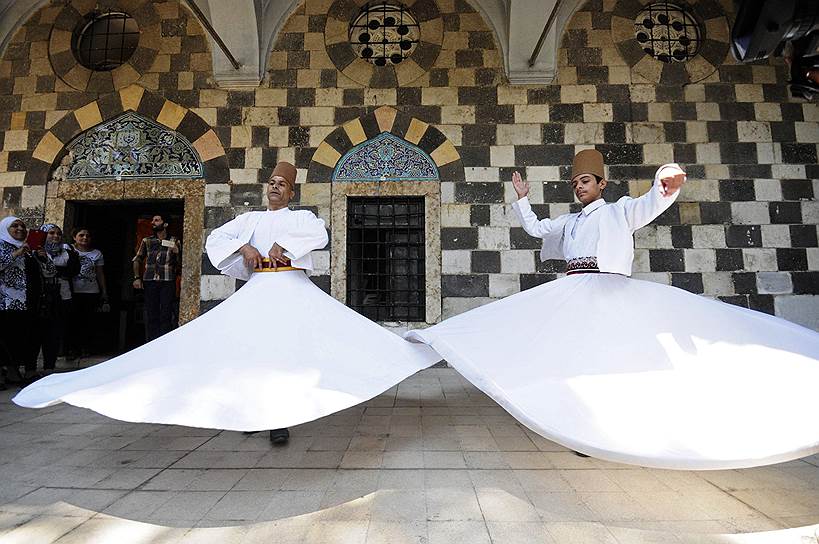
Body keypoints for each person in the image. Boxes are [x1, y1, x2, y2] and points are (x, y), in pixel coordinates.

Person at [406, 149, 819, 470]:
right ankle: (570, 423)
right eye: (575, 182)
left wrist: (666, 182)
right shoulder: (568, 222)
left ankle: (611, 427)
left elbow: (650, 203)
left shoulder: (620, 211)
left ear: (602, 184)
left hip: (609, 293)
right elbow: (534, 229)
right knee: (564, 357)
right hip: (573, 293)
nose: (579, 187)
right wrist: (523, 200)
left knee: (609, 361)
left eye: (585, 181)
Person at [13, 162, 440, 440]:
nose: (274, 189)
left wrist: (282, 248)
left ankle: (280, 418)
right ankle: (251, 412)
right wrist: (245, 251)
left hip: (290, 287)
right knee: (251, 352)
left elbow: (318, 235)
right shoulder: (249, 219)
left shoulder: (300, 218)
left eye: (281, 185)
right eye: (271, 183)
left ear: (290, 193)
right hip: (259, 291)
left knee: (288, 353)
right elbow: (219, 238)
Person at [0, 216, 55, 389]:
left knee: (19, 337)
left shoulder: (31, 248)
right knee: (3, 337)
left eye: (22, 226)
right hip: (5, 301)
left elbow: (50, 273)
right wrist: (16, 253)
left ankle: (13, 371)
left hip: (28, 301)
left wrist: (43, 258)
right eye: (14, 226)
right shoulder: (2, 246)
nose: (20, 229)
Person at [32, 224, 74, 374]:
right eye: (51, 233)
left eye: (58, 234)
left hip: (62, 297)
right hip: (39, 298)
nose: (55, 236)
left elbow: (73, 271)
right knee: (35, 334)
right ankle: (30, 367)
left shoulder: (68, 252)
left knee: (54, 334)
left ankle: (49, 367)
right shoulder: (34, 251)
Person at [132, 214, 181, 342]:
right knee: (151, 313)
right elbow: (137, 259)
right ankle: (151, 343)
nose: (153, 222)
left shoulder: (174, 241)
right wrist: (137, 277)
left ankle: (164, 343)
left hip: (167, 281)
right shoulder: (146, 240)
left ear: (165, 224)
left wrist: (177, 252)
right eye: (152, 220)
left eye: (156, 220)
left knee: (166, 314)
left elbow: (180, 264)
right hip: (150, 281)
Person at [68, 227, 107, 360]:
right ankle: (72, 349)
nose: (85, 238)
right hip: (73, 291)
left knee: (88, 321)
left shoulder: (97, 253)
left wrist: (104, 291)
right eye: (81, 235)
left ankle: (86, 348)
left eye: (88, 235)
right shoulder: (68, 250)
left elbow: (100, 273)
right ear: (74, 237)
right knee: (73, 321)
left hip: (91, 291)